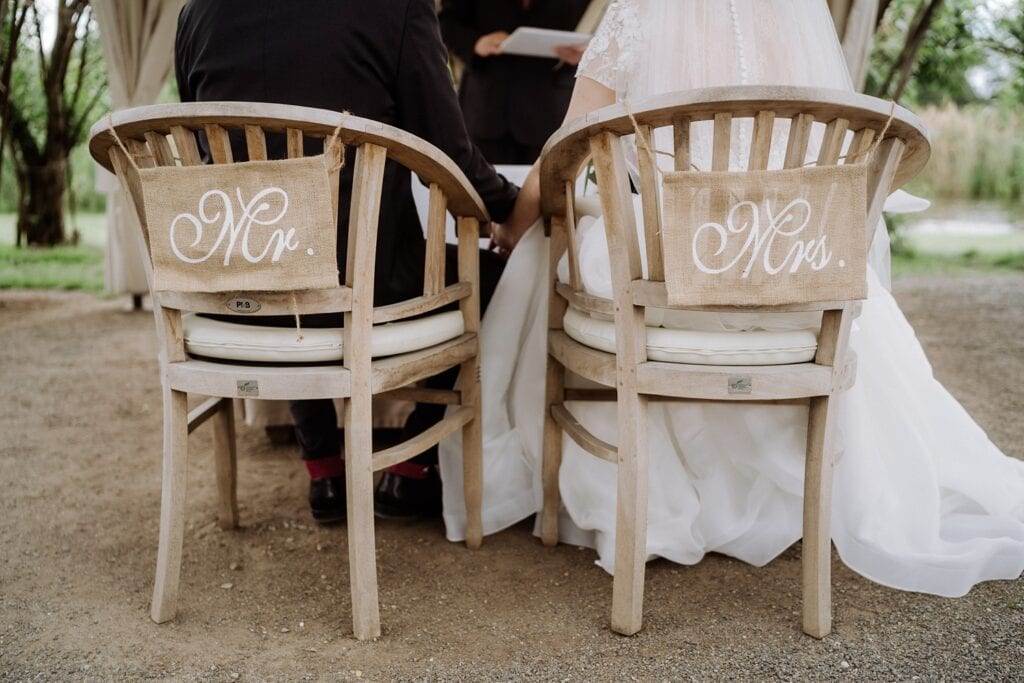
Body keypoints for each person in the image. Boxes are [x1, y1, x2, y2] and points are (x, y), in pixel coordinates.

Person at [440, 0, 1024, 598]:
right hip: (786, 258)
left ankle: (632, 485)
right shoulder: (797, 14)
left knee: (566, 243)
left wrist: (514, 224)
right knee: (703, 254)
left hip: (676, 263)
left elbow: (564, 151)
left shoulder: (639, 12)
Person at [175, 0, 517, 524]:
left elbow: (203, 143)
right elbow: (450, 154)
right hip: (365, 288)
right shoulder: (396, 9)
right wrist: (508, 208)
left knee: (290, 261)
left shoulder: (197, 13)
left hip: (236, 290)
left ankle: (323, 468)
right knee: (493, 274)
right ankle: (411, 467)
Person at [439, 0, 592, 164]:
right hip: (486, 107)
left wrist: (588, 51)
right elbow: (444, 22)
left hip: (551, 108)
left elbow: (602, 23)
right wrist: (474, 43)